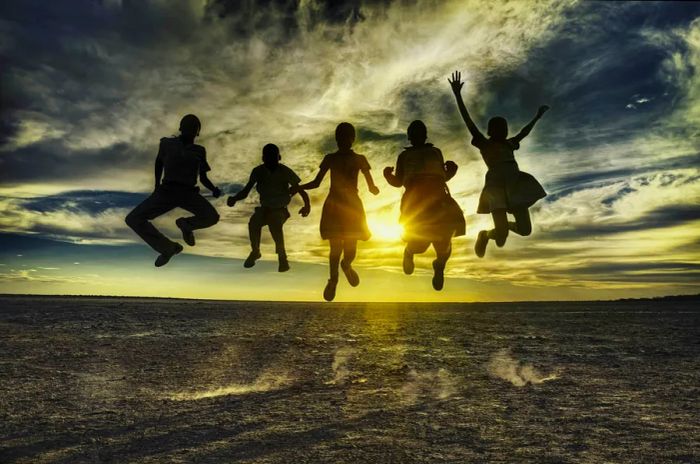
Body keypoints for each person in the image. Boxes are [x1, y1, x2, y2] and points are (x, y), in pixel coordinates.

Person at [448, 71, 548, 257]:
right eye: (499, 128)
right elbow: (468, 121)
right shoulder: (484, 144)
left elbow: (524, 132)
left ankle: (502, 229)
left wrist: (537, 117)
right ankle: (485, 235)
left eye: (504, 128)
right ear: (491, 131)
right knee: (500, 235)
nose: (503, 130)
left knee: (525, 230)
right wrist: (457, 95)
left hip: (515, 184)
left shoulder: (509, 143)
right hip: (495, 188)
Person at [125, 114, 221, 267]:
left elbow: (202, 177)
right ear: (181, 128)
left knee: (212, 217)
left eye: (194, 127)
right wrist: (156, 186)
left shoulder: (199, 150)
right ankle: (168, 248)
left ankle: (186, 225)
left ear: (198, 132)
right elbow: (159, 163)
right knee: (133, 219)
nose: (190, 129)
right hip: (167, 190)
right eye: (187, 125)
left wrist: (214, 189)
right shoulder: (167, 143)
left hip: (189, 193)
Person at [301, 122, 379, 301]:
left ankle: (347, 265)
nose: (343, 140)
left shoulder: (360, 159)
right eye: (340, 137)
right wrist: (299, 187)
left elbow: (370, 182)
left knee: (350, 249)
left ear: (352, 139)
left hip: (352, 206)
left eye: (347, 137)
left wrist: (373, 188)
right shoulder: (330, 158)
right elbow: (317, 182)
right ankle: (333, 279)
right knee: (335, 247)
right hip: (334, 205)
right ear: (336, 139)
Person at [383, 120, 465, 291]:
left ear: (425, 135)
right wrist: (387, 176)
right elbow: (399, 182)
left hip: (440, 201)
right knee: (420, 244)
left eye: (420, 132)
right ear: (409, 137)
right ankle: (409, 252)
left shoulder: (435, 152)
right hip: (415, 204)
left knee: (444, 241)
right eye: (414, 133)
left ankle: (439, 265)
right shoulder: (404, 156)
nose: (417, 136)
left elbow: (441, 176)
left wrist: (451, 171)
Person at [227, 143, 311, 272]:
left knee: (275, 222)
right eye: (267, 157)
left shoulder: (284, 171)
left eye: (273, 157)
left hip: (280, 210)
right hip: (265, 208)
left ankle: (282, 257)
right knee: (254, 222)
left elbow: (300, 189)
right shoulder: (258, 171)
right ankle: (255, 251)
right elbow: (246, 191)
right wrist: (234, 199)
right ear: (263, 158)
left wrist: (307, 205)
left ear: (279, 157)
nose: (270, 160)